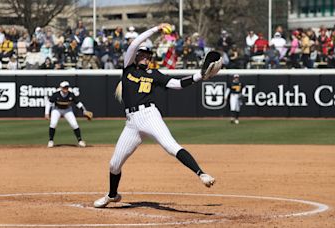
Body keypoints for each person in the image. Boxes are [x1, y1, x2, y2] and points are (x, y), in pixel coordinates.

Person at [93, 23, 222, 208]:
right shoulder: (128, 68)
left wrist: (199, 76)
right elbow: (134, 43)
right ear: (136, 56)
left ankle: (201, 174)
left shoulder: (154, 74)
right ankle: (112, 195)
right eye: (142, 54)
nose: (145, 57)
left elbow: (177, 84)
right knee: (114, 164)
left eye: (148, 55)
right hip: (131, 123)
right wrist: (156, 29)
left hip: (149, 115)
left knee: (171, 147)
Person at [44, 81, 93, 148]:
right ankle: (51, 141)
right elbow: (49, 103)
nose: (65, 88)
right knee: (53, 124)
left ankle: (80, 141)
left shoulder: (71, 95)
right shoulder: (56, 95)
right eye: (64, 87)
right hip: (56, 109)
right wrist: (47, 113)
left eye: (67, 87)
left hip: (67, 110)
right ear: (61, 88)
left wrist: (84, 111)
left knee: (74, 124)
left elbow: (78, 103)